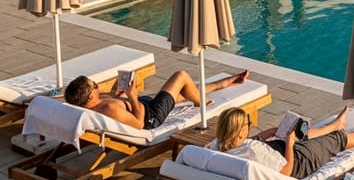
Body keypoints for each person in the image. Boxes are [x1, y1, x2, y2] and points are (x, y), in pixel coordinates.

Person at [214, 104, 354, 179]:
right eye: (248, 124)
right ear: (239, 131)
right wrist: (290, 144)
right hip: (300, 162)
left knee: (301, 133)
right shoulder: (252, 152)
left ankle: (335, 124)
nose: (250, 126)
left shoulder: (219, 147)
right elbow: (287, 170)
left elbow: (252, 144)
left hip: (280, 149)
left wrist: (269, 133)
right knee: (338, 138)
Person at [64, 69, 249, 129]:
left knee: (184, 90)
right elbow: (139, 123)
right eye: (95, 86)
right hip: (152, 115)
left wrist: (118, 92)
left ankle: (223, 83)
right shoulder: (107, 109)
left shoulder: (93, 103)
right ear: (90, 95)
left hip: (145, 105)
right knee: (181, 76)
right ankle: (200, 102)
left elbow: (115, 100)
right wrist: (132, 98)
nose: (98, 86)